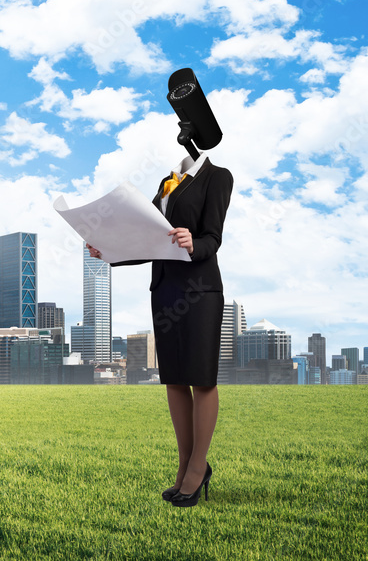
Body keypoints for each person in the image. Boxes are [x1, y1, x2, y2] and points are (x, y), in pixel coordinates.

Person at [87, 150, 232, 508]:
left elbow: (213, 237)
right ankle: (184, 466)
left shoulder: (218, 176)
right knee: (175, 380)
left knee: (202, 379)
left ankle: (199, 467)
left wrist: (193, 242)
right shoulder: (165, 185)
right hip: (165, 290)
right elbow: (148, 241)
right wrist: (110, 253)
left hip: (200, 290)